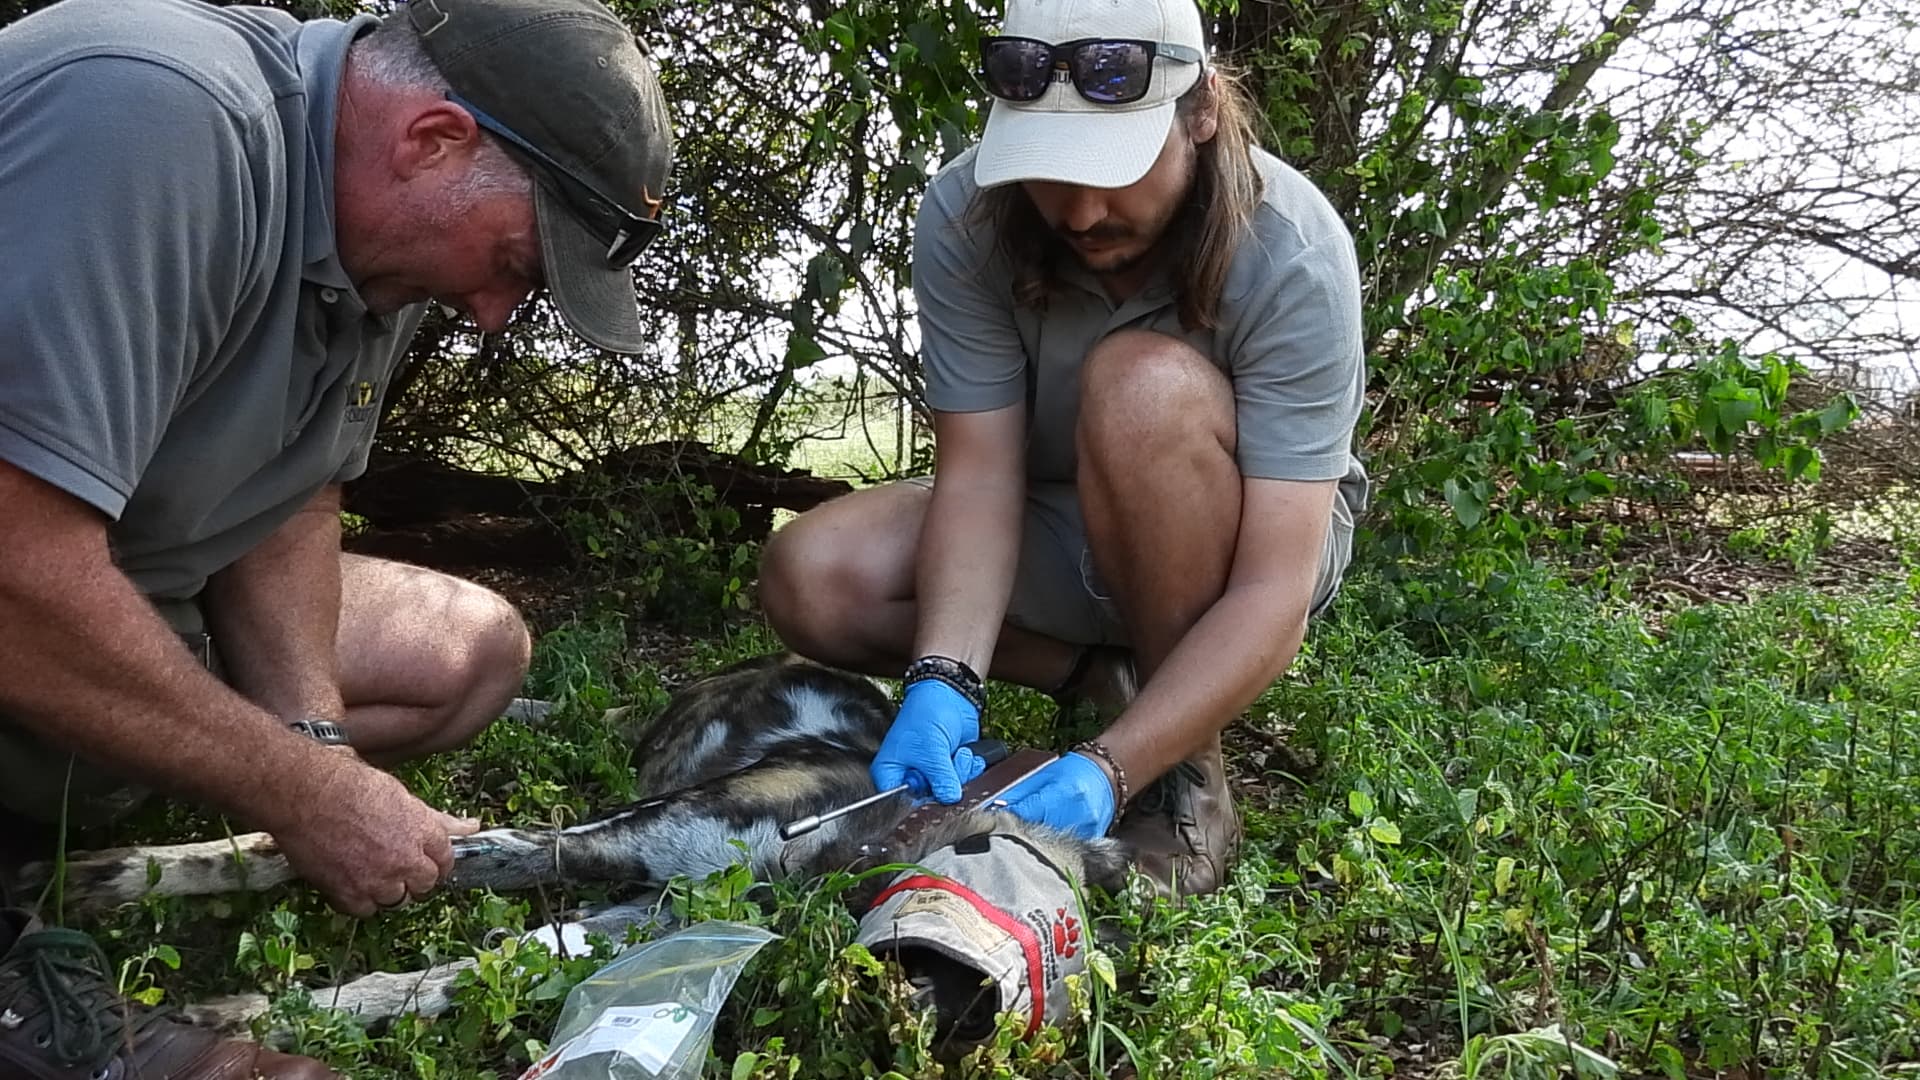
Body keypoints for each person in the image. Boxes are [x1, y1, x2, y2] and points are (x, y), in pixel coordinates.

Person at [0, 0, 672, 1074]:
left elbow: (289, 498)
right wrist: (297, 791)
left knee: (466, 652)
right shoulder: (157, 121)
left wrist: (313, 747)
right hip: (24, 575)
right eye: (515, 261)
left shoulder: (376, 238)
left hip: (101, 580)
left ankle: (76, 811)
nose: (496, 313)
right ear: (433, 140)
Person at [759, 0, 1367, 897]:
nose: (1081, 213)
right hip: (1059, 510)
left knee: (1139, 388)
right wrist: (944, 677)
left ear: (1199, 113)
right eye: (1050, 173)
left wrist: (1111, 771)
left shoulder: (1294, 253)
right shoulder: (970, 215)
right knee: (813, 575)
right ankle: (1107, 682)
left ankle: (1184, 770)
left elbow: (1273, 585)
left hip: (1247, 533)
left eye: (1115, 170)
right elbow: (980, 473)